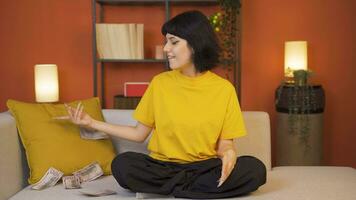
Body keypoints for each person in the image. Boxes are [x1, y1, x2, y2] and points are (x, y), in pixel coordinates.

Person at [63, 10, 266, 199]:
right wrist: (92, 123)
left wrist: (229, 153)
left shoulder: (224, 89)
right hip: (162, 167)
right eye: (166, 42)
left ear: (195, 44)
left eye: (173, 42)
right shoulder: (160, 83)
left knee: (255, 169)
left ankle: (172, 189)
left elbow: (225, 143)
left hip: (204, 167)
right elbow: (138, 133)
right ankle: (191, 191)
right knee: (122, 164)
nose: (166, 49)